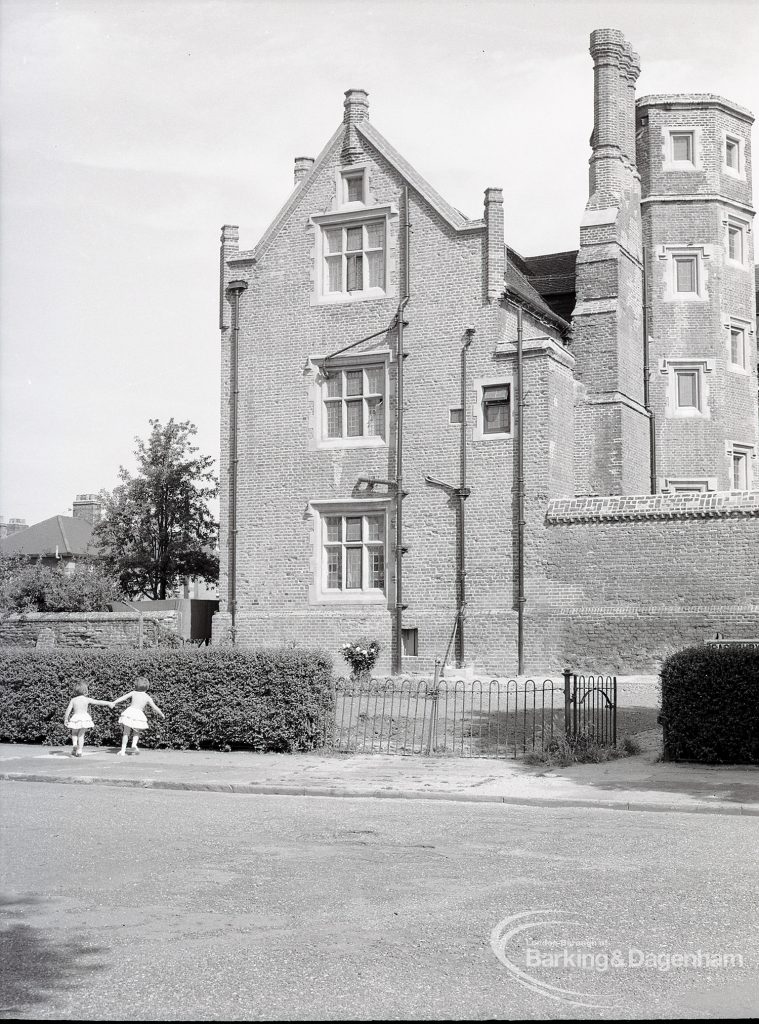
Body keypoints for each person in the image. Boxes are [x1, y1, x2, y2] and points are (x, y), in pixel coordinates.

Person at [111, 677, 165, 755]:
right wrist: (161, 714)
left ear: (136, 685)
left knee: (126, 733)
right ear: (147, 687)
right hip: (139, 715)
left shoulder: (133, 693)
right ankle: (134, 744)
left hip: (129, 713)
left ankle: (123, 751)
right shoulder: (147, 697)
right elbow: (155, 707)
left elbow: (123, 698)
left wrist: (114, 702)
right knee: (136, 732)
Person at [64, 683, 113, 757]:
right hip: (84, 718)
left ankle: (74, 744)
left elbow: (68, 710)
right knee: (81, 735)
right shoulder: (87, 699)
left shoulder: (73, 700)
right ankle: (80, 751)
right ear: (85, 691)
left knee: (74, 732)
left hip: (76, 718)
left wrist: (65, 719)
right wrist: (109, 703)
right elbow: (98, 702)